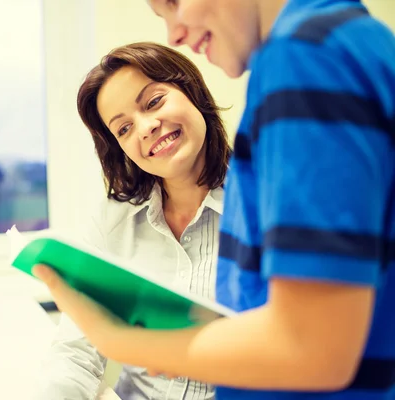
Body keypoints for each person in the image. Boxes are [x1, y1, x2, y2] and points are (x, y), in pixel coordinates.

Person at [33, 0, 395, 399]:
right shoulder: (346, 40)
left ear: (191, 94)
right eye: (123, 129)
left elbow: (313, 347)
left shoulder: (303, 57)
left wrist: (124, 340)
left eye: (173, 2)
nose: (174, 33)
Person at [38, 42, 231, 399]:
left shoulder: (266, 203)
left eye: (154, 102)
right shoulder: (112, 219)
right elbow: (77, 350)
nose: (144, 128)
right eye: (123, 128)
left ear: (192, 91)